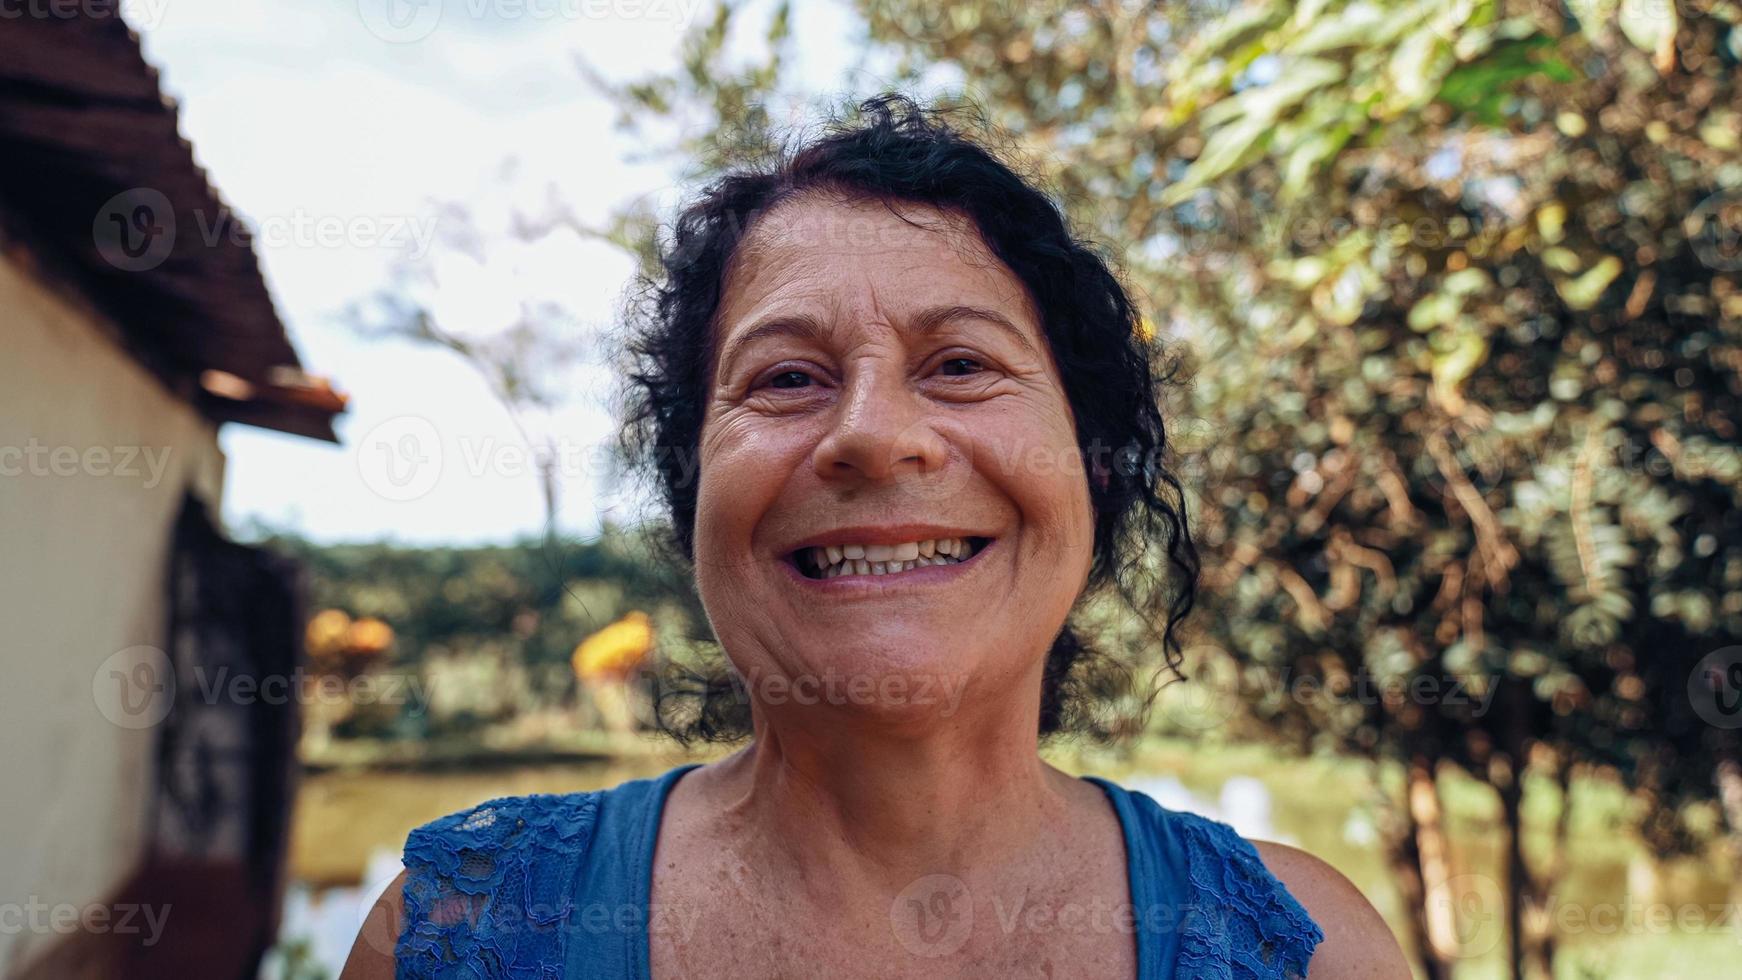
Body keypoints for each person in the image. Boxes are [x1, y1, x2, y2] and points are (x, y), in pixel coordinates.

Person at [341, 94, 1410, 979]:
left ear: (1089, 465)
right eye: (787, 378)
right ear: (694, 482)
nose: (871, 434)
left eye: (959, 365)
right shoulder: (455, 934)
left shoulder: (1309, 951)